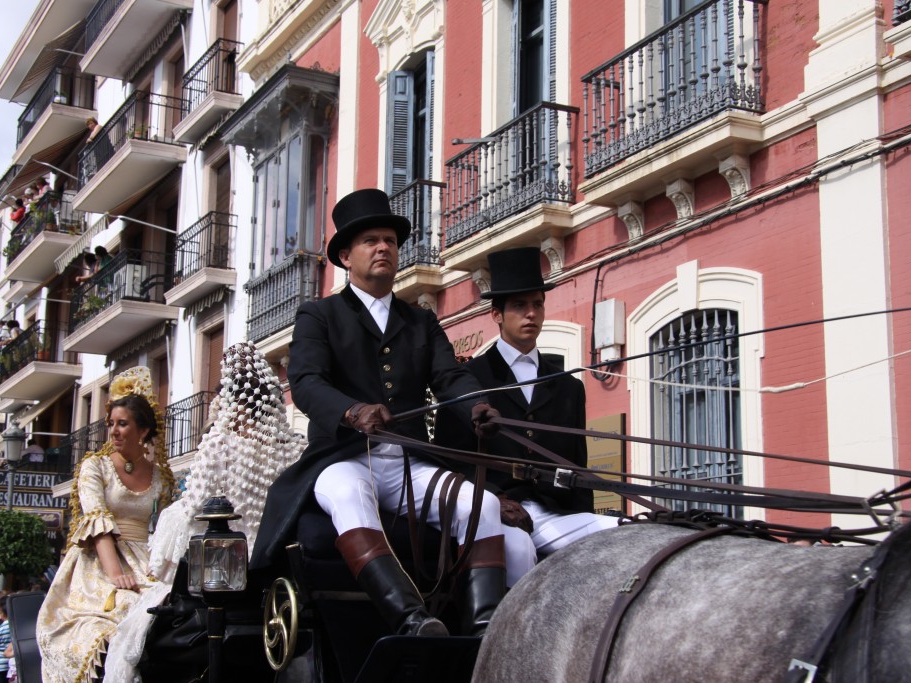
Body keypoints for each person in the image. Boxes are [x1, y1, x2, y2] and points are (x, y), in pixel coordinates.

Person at [251, 188, 506, 637]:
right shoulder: (319, 315)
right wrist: (351, 412)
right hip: (341, 458)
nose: (384, 247)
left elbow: (449, 378)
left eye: (389, 239)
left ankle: (485, 630)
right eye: (371, 240)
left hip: (409, 460)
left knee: (481, 505)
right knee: (349, 494)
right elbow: (306, 383)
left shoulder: (420, 320)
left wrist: (477, 406)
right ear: (346, 256)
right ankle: (410, 620)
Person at [104, 343, 303, 682]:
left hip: (222, 576)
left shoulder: (221, 445)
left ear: (230, 403)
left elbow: (193, 512)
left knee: (129, 630)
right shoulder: (297, 448)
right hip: (278, 579)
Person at [434, 247, 619, 587]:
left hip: (557, 512)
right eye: (519, 306)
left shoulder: (568, 388)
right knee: (517, 549)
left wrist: (585, 512)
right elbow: (450, 462)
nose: (531, 314)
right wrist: (492, 499)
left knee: (623, 533)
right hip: (497, 513)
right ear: (497, 315)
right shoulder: (468, 381)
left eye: (537, 304)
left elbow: (577, 465)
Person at [35, 367, 175, 683]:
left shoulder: (161, 478)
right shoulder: (93, 468)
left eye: (122, 424)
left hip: (145, 559)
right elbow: (97, 520)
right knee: (120, 611)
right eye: (111, 423)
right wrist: (115, 575)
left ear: (142, 431)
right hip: (99, 562)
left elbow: (165, 529)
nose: (113, 431)